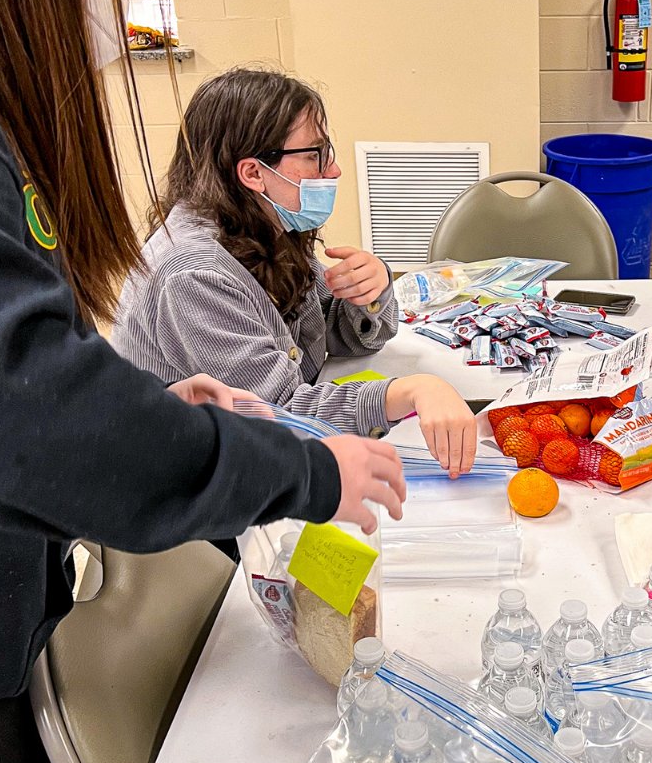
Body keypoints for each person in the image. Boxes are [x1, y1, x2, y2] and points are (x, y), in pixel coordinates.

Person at [0, 0, 404, 763]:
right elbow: (39, 418)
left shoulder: (272, 236)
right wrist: (319, 461)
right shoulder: (195, 264)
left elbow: (32, 383)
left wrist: (159, 407)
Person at [113, 68, 477, 475]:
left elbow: (333, 338)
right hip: (190, 479)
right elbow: (284, 418)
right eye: (314, 155)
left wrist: (371, 292)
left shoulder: (263, 222)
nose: (334, 170)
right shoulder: (195, 274)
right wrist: (409, 391)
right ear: (253, 174)